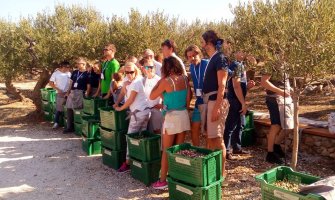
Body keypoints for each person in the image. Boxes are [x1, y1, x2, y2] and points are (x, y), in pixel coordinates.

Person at [150, 56, 191, 189]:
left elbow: (152, 96)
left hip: (171, 118)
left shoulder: (166, 81)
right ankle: (177, 177)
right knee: (178, 149)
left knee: (166, 150)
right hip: (183, 114)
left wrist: (159, 82)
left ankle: (162, 181)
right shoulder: (185, 79)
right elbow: (188, 99)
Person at [201, 30, 230, 178]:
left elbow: (222, 85)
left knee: (217, 140)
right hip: (210, 101)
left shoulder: (221, 58)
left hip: (215, 102)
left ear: (208, 42)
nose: (201, 45)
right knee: (210, 139)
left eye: (202, 41)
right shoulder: (213, 58)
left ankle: (222, 174)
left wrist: (217, 108)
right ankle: (213, 173)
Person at [113, 62, 150, 172]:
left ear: (136, 71)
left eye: (131, 72)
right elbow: (123, 93)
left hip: (139, 113)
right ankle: (138, 160)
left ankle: (128, 162)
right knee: (139, 137)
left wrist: (121, 108)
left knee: (130, 137)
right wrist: (117, 102)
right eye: (127, 72)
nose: (129, 74)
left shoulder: (137, 82)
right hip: (141, 112)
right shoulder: (127, 80)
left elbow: (131, 99)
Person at [260, 49, 293, 164]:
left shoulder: (284, 64)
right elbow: (264, 82)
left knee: (288, 126)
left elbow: (282, 82)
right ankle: (270, 153)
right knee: (276, 125)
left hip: (285, 99)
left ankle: (276, 145)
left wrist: (289, 90)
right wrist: (280, 91)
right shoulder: (272, 64)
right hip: (275, 99)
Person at [224, 51, 251, 160]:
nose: (245, 53)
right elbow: (236, 85)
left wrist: (248, 87)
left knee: (240, 124)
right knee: (231, 125)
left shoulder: (240, 65)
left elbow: (239, 84)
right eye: (242, 51)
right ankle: (226, 150)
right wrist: (243, 103)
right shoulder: (237, 65)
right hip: (235, 100)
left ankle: (237, 147)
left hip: (238, 99)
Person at [184, 45, 208, 146]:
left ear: (199, 54)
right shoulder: (192, 67)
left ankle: (209, 153)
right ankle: (197, 151)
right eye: (189, 57)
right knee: (194, 129)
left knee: (208, 132)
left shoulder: (206, 64)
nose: (192, 58)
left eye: (193, 55)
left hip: (208, 101)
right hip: (198, 102)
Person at [64, 57, 90, 133]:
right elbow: (71, 82)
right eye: (77, 63)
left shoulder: (87, 73)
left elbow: (88, 84)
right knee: (69, 108)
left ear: (84, 64)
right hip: (72, 92)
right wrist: (68, 91)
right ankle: (69, 127)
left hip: (80, 92)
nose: (77, 65)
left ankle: (80, 127)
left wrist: (87, 92)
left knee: (78, 109)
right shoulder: (75, 72)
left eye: (79, 63)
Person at [142, 58, 163, 134]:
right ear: (144, 68)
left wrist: (162, 105)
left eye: (151, 67)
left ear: (154, 67)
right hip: (146, 111)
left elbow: (165, 95)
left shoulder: (158, 80)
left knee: (157, 132)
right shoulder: (144, 80)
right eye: (147, 67)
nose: (149, 69)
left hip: (156, 111)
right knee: (148, 133)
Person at [49, 61, 71, 129]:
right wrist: (57, 89)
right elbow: (50, 83)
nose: (69, 68)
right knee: (59, 108)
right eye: (67, 67)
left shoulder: (69, 73)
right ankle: (56, 122)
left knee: (68, 108)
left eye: (69, 67)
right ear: (63, 67)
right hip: (60, 93)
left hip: (68, 93)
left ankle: (67, 124)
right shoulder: (56, 73)